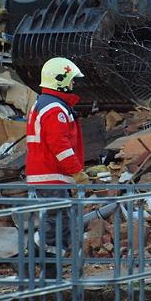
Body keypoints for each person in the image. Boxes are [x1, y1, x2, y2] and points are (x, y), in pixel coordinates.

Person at [26, 57, 89, 256]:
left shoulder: (46, 104)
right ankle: (43, 267)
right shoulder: (55, 109)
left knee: (59, 224)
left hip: (48, 176)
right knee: (56, 225)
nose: (73, 85)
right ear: (60, 80)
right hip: (51, 176)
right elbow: (60, 145)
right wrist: (76, 171)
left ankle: (48, 268)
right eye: (71, 80)